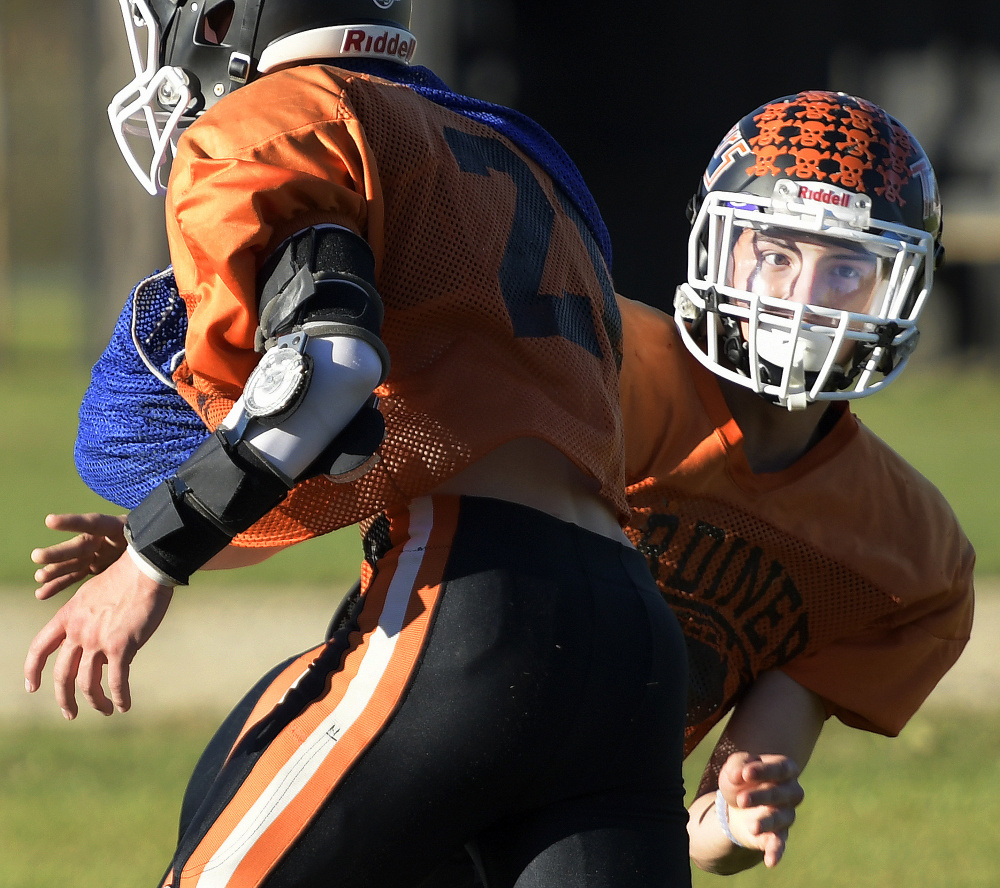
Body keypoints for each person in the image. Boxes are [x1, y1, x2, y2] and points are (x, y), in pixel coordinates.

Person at [32, 88, 975, 879]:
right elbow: (382, 450)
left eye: (847, 268)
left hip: (576, 750)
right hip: (438, 687)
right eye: (776, 253)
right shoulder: (603, 355)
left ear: (903, 288)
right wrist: (169, 538)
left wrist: (736, 818)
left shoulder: (907, 556)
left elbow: (721, 817)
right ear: (716, 246)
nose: (804, 295)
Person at [23, 2, 695, 887]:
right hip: (630, 639)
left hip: (474, 614)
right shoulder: (515, 153)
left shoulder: (290, 118)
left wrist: (153, 559)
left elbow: (327, 363)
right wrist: (180, 523)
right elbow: (459, 432)